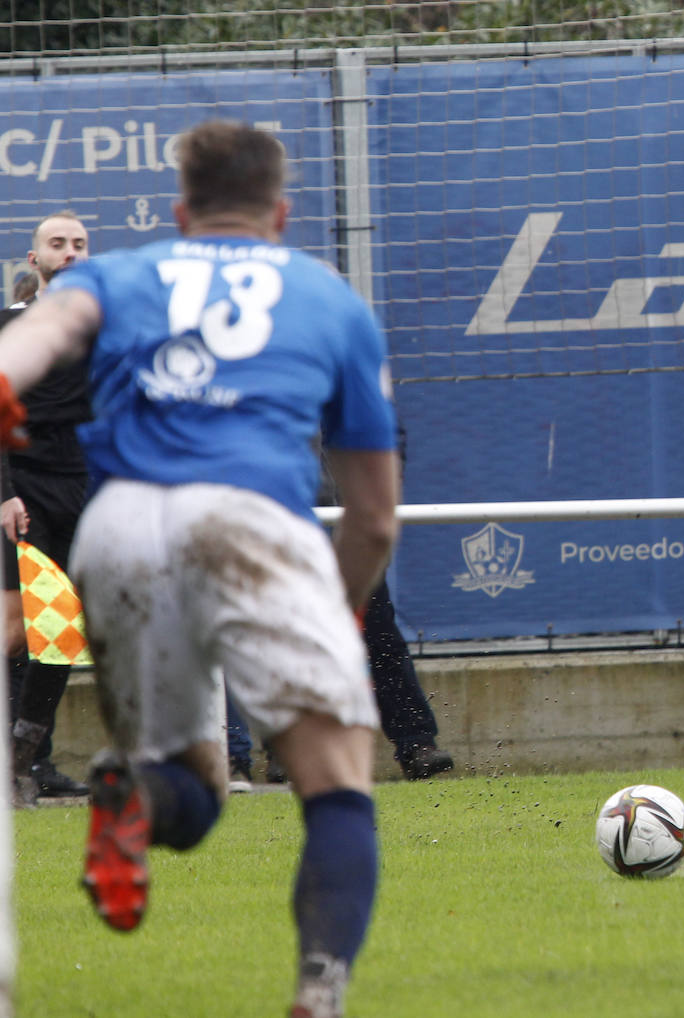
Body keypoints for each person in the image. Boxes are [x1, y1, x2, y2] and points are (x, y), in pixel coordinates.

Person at [0, 120, 399, 1018]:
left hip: (121, 527)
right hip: (253, 518)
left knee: (196, 788)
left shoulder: (128, 271)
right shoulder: (330, 299)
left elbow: (46, 326)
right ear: (282, 214)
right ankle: (319, 990)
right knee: (335, 777)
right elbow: (373, 519)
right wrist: (337, 609)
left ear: (182, 213)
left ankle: (132, 794)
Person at [2, 211, 93, 806]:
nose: (70, 252)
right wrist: (5, 491)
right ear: (34, 260)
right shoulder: (13, 326)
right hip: (22, 488)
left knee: (59, 634)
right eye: (57, 244)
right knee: (13, 627)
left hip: (78, 488)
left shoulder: (104, 329)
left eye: (80, 244)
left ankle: (22, 761)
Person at [227, 575, 454, 791]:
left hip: (348, 542)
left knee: (380, 634)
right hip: (290, 542)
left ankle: (416, 745)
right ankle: (287, 748)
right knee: (285, 637)